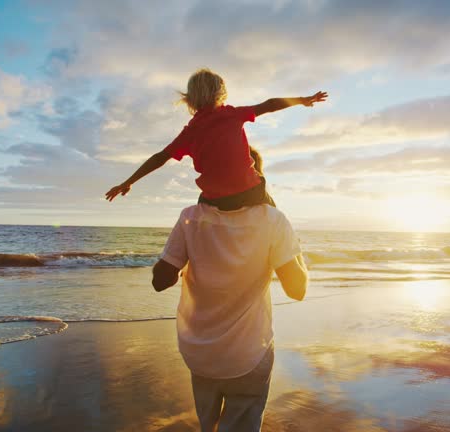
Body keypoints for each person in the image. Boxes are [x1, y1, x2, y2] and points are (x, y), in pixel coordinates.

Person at [153, 202, 308, 431]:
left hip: (201, 351)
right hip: (249, 351)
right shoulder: (272, 219)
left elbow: (160, 281)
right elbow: (297, 289)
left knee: (209, 425)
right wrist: (295, 252)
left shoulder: (192, 217)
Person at [105, 68, 327, 210]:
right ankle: (282, 238)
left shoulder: (190, 131)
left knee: (198, 218)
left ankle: (186, 260)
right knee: (273, 215)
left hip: (213, 200)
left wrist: (128, 182)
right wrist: (302, 100)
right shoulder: (232, 114)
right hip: (250, 192)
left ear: (190, 99)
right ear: (221, 94)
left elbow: (160, 157)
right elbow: (269, 104)